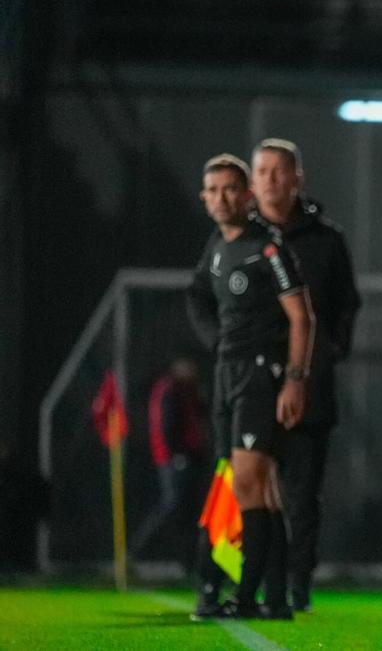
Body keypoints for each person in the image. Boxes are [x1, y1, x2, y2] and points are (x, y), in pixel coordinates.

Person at [185, 153, 314, 619]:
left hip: (261, 374)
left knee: (247, 484)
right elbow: (198, 294)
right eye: (212, 190)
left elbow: (302, 318)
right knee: (261, 488)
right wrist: (214, 338)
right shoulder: (216, 247)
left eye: (229, 189)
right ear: (204, 199)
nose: (221, 198)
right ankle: (275, 599)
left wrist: (294, 381)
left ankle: (244, 597)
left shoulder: (269, 247)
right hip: (227, 373)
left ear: (247, 196)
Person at [250, 138, 361, 612]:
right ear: (252, 181)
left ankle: (297, 583)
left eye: (280, 171)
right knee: (249, 486)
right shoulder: (237, 241)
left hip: (309, 388)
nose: (272, 180)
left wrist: (328, 352)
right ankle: (251, 580)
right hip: (250, 386)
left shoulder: (325, 239)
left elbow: (346, 303)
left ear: (298, 177)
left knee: (302, 494)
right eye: (263, 171)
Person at [129, 357, 208, 569]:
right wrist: (178, 455)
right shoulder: (170, 390)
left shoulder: (188, 390)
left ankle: (188, 561)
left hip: (188, 457)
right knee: (172, 506)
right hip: (174, 459)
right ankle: (140, 552)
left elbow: (200, 414)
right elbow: (167, 425)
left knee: (189, 510)